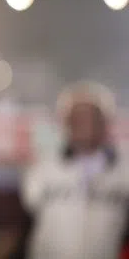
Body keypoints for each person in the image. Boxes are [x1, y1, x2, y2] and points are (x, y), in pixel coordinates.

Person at [20, 82, 129, 259]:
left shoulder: (124, 168)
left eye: (91, 116)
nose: (84, 123)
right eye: (77, 116)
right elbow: (30, 209)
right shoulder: (44, 167)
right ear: (66, 121)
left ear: (105, 121)